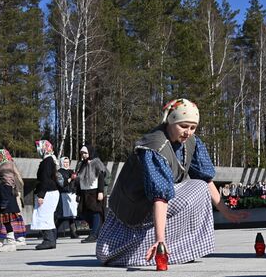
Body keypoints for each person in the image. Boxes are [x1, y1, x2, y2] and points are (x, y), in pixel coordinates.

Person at [97, 98, 249, 267]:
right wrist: (159, 239)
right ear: (170, 121)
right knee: (196, 188)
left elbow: (205, 179)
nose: (188, 132)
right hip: (136, 205)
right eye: (183, 126)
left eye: (193, 127)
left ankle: (182, 249)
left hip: (155, 202)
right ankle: (145, 248)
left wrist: (225, 211)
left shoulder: (192, 142)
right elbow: (160, 196)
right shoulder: (155, 146)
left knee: (199, 187)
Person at [76, 145, 106, 243]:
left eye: (85, 153)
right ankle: (98, 231)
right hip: (84, 192)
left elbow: (101, 176)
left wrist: (100, 191)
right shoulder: (82, 164)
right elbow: (79, 180)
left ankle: (93, 235)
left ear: (90, 153)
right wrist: (78, 194)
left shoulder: (96, 162)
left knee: (95, 212)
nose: (83, 155)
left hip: (94, 191)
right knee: (83, 213)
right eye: (82, 153)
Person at [33, 140, 60, 250]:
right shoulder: (50, 160)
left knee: (44, 216)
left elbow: (45, 179)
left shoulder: (47, 161)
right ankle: (52, 240)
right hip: (51, 191)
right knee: (48, 216)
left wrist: (41, 195)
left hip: (48, 192)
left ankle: (48, 240)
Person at [55, 156, 79, 239]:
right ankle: (54, 232)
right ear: (61, 163)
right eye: (64, 162)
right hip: (63, 194)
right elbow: (61, 184)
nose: (66, 164)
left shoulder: (72, 171)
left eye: (67, 162)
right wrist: (70, 179)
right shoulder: (58, 172)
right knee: (62, 215)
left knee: (72, 215)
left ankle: (73, 232)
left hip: (72, 194)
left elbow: (76, 183)